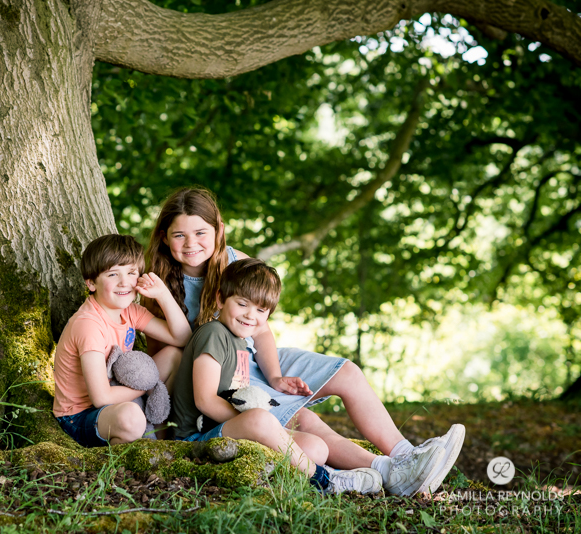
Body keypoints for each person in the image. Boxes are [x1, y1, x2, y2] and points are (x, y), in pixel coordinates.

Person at [145, 187, 464, 495]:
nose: (191, 243)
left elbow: (261, 328)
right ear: (165, 236)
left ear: (219, 230)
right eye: (179, 235)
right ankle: (380, 472)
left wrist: (275, 377)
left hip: (254, 359)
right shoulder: (158, 282)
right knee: (309, 427)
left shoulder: (234, 262)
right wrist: (160, 431)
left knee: (347, 373)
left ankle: (406, 458)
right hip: (219, 379)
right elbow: (168, 358)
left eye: (201, 232)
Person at [172, 258, 399, 495]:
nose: (250, 315)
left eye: (261, 310)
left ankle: (324, 468)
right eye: (242, 304)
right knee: (260, 420)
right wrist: (257, 424)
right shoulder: (213, 333)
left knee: (317, 448)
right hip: (196, 437)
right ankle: (326, 480)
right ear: (220, 298)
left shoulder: (241, 342)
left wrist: (267, 429)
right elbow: (205, 400)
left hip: (231, 430)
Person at [53, 234, 191, 447]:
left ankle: (161, 439)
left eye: (131, 272)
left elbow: (182, 338)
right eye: (112, 274)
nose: (124, 282)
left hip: (119, 396)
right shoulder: (89, 324)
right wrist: (147, 385)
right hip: (81, 415)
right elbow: (100, 398)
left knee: (175, 356)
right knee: (131, 417)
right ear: (91, 283)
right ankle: (122, 459)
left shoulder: (131, 311)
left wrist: (163, 294)